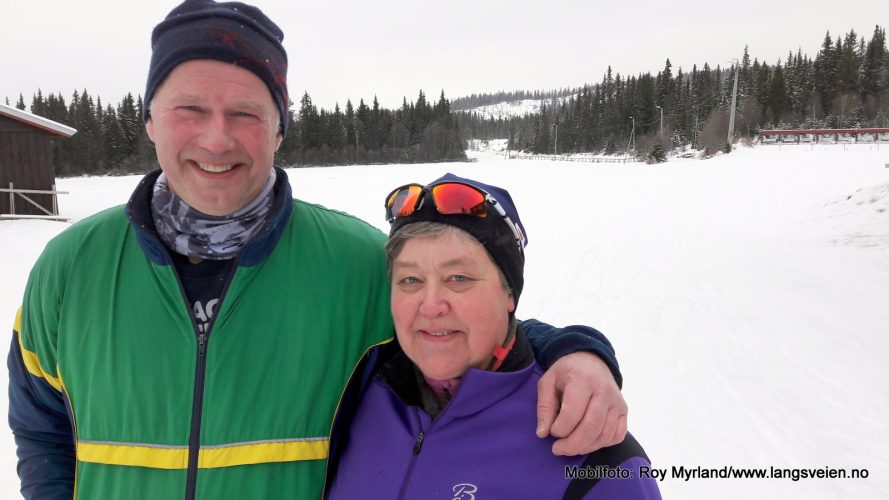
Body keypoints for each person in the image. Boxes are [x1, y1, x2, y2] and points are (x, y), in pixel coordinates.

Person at [8, 1, 626, 499]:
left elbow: (458, 323)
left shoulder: (353, 264)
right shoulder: (72, 268)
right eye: (189, 108)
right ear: (149, 119)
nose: (216, 137)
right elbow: (41, 428)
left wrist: (577, 352)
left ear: (280, 127)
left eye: (247, 112)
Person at [326, 174, 660, 499]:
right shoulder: (356, 389)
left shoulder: (596, 457)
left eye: (458, 277)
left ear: (509, 294)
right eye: (410, 280)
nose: (430, 306)